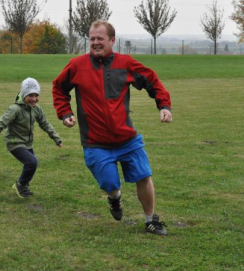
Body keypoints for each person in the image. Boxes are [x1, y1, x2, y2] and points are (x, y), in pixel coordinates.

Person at [52, 20, 172, 236]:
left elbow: (151, 80)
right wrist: (65, 113)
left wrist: (163, 105)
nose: (95, 43)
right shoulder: (77, 65)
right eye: (92, 39)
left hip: (127, 138)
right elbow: (59, 88)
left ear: (112, 41)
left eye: (100, 39)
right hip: (95, 142)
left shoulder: (125, 63)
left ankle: (150, 220)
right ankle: (114, 198)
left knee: (143, 176)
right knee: (110, 183)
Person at [0, 77, 63, 198]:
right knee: (32, 162)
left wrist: (56, 138)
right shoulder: (15, 109)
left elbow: (45, 123)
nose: (34, 99)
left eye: (36, 95)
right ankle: (20, 185)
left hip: (27, 143)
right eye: (30, 95)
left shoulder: (36, 109)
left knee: (31, 165)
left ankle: (23, 186)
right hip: (14, 142)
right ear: (23, 95)